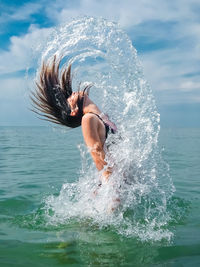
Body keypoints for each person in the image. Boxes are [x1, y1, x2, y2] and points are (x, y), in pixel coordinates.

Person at [31, 56, 117, 182]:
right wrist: (113, 193)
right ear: (73, 111)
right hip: (111, 187)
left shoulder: (104, 118)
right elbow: (97, 154)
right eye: (69, 99)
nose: (72, 94)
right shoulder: (88, 119)